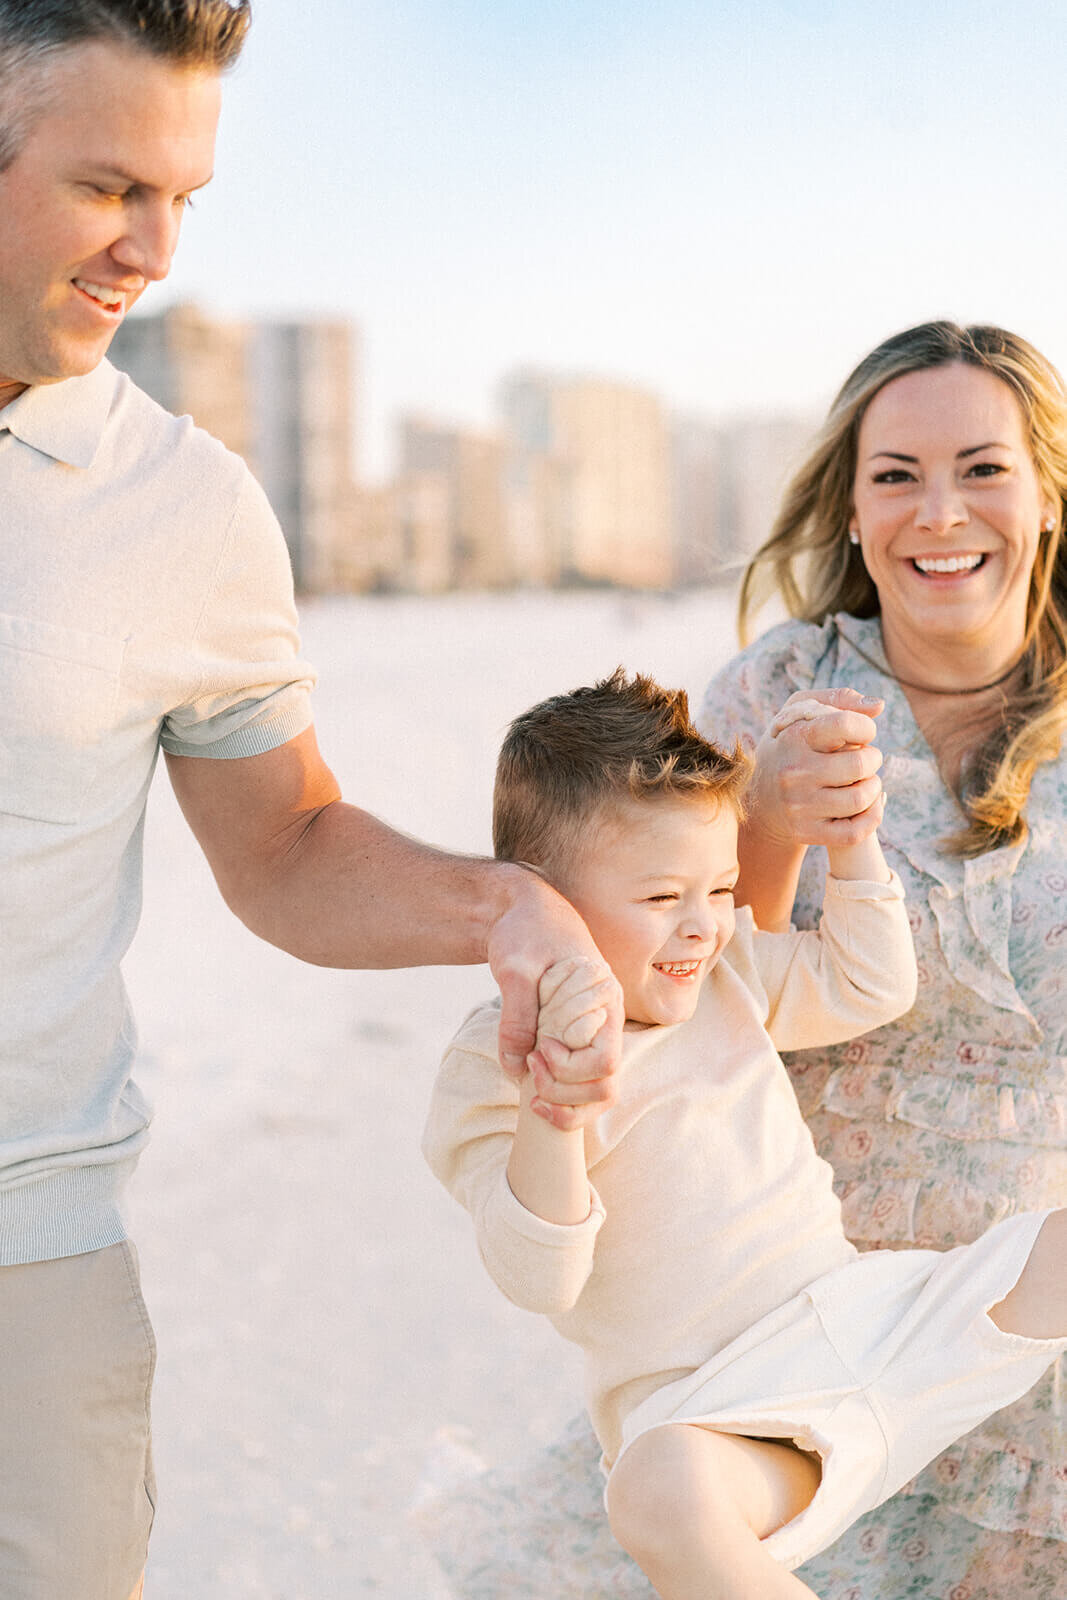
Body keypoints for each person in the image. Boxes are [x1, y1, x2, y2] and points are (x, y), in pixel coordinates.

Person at [0, 4, 618, 1597]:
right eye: (107, 188)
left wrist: (504, 903)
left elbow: (279, 844)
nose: (154, 250)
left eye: (184, 200)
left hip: (27, 1260)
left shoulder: (182, 505)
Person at [422, 670, 1067, 1600]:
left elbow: (866, 986)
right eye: (659, 899)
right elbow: (538, 1277)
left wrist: (851, 851)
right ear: (540, 903)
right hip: (727, 1417)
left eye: (719, 886)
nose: (701, 926)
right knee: (653, 1495)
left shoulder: (722, 978)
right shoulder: (493, 1066)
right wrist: (553, 1112)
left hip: (876, 1321)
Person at [696, 320, 1067, 1599]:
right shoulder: (775, 690)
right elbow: (680, 994)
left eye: (981, 467)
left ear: (1043, 493)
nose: (938, 512)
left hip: (1033, 1324)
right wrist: (762, 829)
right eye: (895, 475)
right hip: (803, 1320)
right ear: (849, 511)